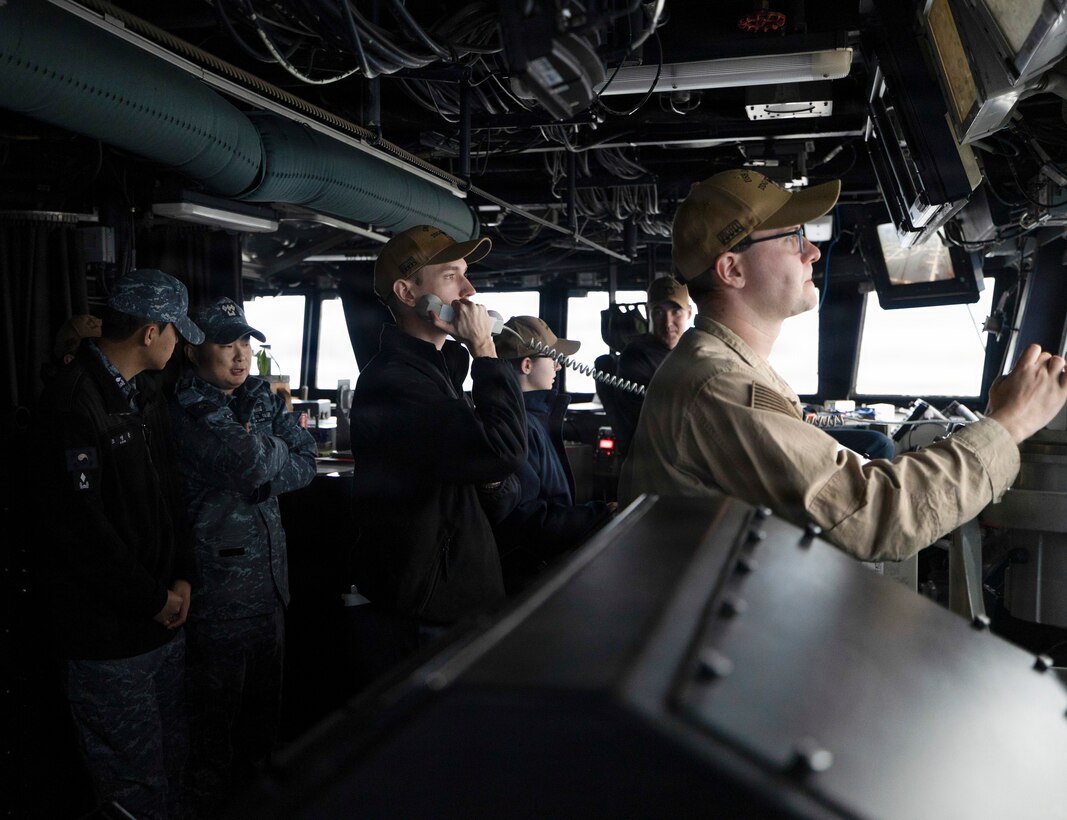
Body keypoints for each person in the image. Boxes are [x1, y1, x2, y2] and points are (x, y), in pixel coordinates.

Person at [619, 169, 1067, 561]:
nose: (812, 252)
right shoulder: (717, 385)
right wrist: (1010, 423)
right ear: (732, 270)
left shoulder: (721, 369)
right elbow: (877, 516)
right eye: (794, 237)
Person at [36, 268, 203, 819]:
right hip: (109, 639)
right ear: (150, 333)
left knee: (171, 766)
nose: (179, 345)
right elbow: (79, 532)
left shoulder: (144, 393)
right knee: (134, 789)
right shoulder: (72, 402)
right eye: (176, 332)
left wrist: (181, 576)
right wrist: (151, 598)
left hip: (161, 622)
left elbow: (169, 491)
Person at [346, 225, 527, 665]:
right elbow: (504, 450)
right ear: (409, 294)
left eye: (466, 275)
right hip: (425, 609)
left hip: (451, 598)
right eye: (451, 277)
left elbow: (499, 483)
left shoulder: (440, 373)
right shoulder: (397, 381)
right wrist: (484, 348)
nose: (469, 291)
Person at [168, 297, 317, 819]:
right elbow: (254, 465)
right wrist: (270, 449)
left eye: (246, 342)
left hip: (270, 590)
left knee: (263, 737)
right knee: (214, 744)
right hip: (220, 597)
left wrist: (266, 447)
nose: (241, 355)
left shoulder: (257, 395)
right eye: (226, 343)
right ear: (191, 351)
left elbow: (308, 462)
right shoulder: (188, 406)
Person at [493, 316, 615, 592]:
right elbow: (526, 521)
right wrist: (598, 515)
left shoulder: (533, 418)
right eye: (553, 358)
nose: (559, 365)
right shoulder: (520, 425)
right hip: (526, 575)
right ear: (527, 365)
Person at [611, 276, 693, 453]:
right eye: (658, 312)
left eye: (675, 311)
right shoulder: (635, 356)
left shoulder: (694, 352)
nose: (668, 322)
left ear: (689, 313)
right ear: (648, 313)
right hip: (651, 457)